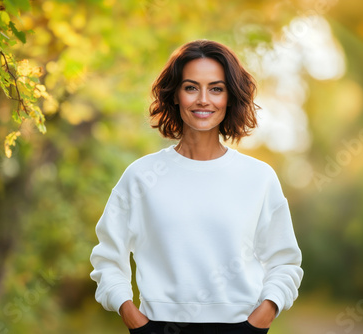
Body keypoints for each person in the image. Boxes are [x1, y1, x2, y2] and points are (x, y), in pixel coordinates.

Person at [90, 39, 303, 334]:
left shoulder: (259, 177)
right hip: (158, 327)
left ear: (229, 98)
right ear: (175, 95)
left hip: (241, 327)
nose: (204, 99)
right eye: (191, 87)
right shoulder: (141, 176)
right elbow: (107, 258)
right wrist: (133, 318)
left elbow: (285, 263)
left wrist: (260, 319)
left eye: (216, 88)